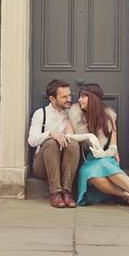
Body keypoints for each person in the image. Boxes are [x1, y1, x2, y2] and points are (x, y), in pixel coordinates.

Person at [66, 83, 129, 214]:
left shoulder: (109, 116)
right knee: (92, 176)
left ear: (92, 98)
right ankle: (127, 196)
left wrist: (107, 154)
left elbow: (113, 147)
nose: (79, 100)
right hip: (88, 160)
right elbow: (68, 136)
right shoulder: (74, 115)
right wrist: (88, 136)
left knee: (104, 164)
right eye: (80, 97)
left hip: (105, 157)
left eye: (83, 96)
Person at [28, 79, 80, 208]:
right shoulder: (41, 114)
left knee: (73, 143)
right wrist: (50, 133)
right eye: (64, 97)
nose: (69, 99)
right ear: (52, 99)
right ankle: (55, 193)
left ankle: (67, 192)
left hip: (66, 164)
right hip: (43, 165)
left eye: (69, 95)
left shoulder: (72, 113)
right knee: (51, 143)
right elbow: (32, 140)